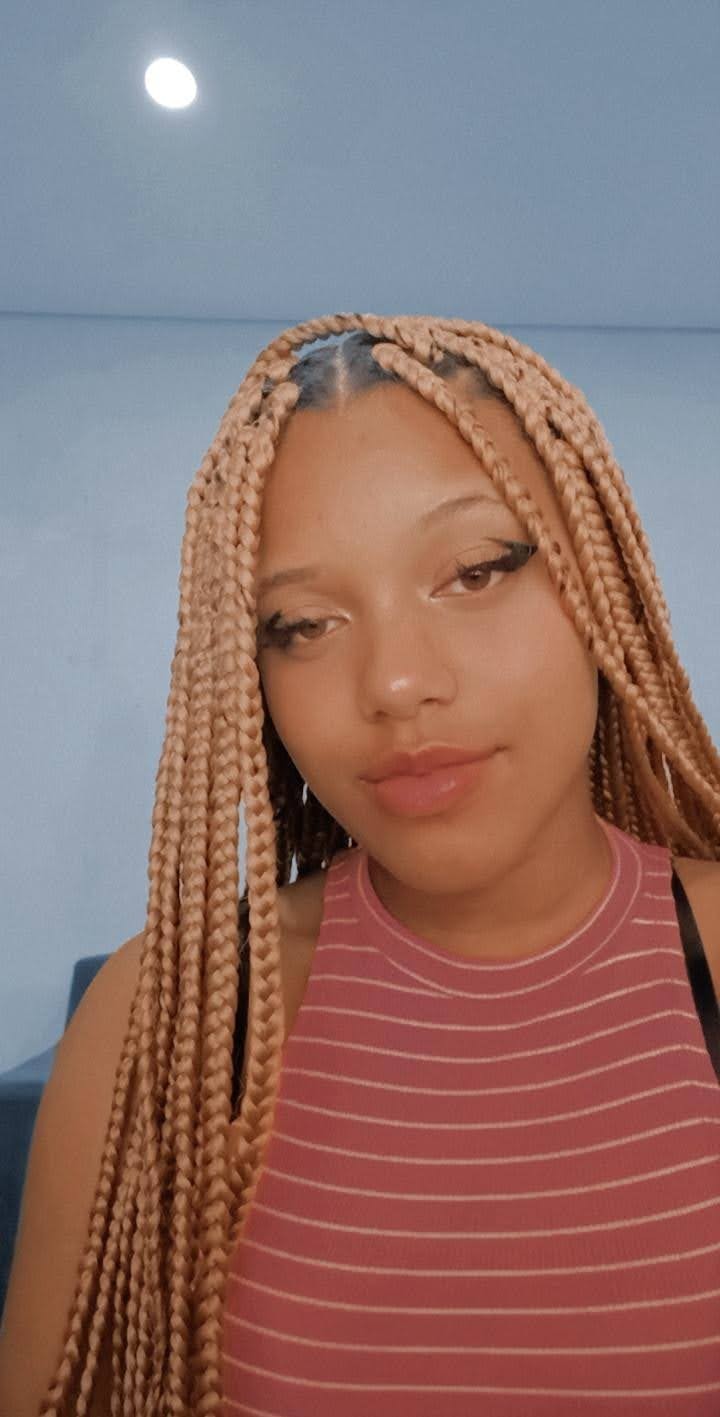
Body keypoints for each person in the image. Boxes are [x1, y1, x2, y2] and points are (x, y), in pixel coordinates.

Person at [1, 313, 719, 1416]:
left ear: (601, 585)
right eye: (301, 625)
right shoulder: (169, 1017)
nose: (393, 682)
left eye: (475, 571)